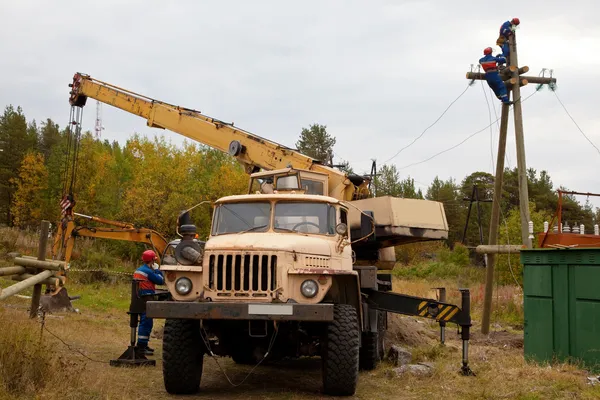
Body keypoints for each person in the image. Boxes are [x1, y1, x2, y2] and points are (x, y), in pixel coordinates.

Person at [133, 249, 164, 355]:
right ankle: (141, 346)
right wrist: (158, 270)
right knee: (146, 322)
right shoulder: (148, 271)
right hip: (146, 298)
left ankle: (144, 344)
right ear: (152, 260)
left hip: (139, 297)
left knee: (146, 321)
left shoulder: (139, 269)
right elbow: (161, 280)